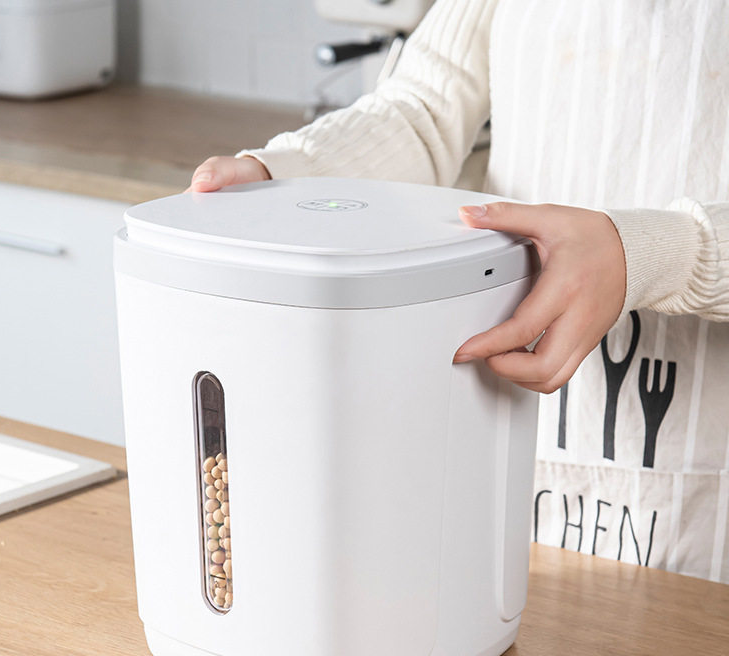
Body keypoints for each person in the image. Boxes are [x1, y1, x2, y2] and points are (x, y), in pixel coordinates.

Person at [189, 0, 729, 583]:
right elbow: (423, 110)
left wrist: (654, 252)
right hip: (508, 396)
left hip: (698, 447)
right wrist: (289, 175)